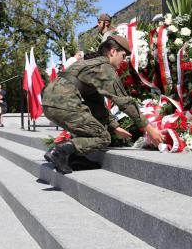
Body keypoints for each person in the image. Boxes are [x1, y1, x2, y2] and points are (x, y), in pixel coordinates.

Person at [42, 36, 163, 174]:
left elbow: (96, 103)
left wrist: (114, 126)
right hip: (64, 103)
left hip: (49, 104)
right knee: (103, 137)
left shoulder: (91, 64)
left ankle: (75, 158)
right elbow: (124, 102)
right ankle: (60, 151)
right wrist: (149, 128)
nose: (123, 61)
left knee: (91, 127)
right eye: (123, 56)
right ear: (113, 52)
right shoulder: (105, 68)